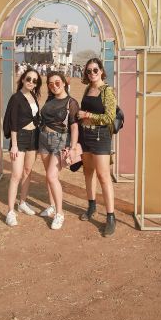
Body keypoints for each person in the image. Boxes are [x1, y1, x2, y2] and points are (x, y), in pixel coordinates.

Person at [76, 58, 117, 236]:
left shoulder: (107, 90)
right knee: (88, 173)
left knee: (103, 176)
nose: (91, 73)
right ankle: (91, 206)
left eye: (94, 70)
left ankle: (110, 217)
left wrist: (87, 114)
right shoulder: (87, 88)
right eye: (88, 71)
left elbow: (109, 118)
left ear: (101, 71)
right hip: (86, 136)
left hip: (101, 136)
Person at [37, 71, 80, 230]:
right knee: (48, 177)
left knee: (52, 176)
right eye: (50, 83)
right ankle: (52, 206)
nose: (54, 86)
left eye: (57, 82)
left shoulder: (71, 102)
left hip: (60, 141)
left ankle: (60, 214)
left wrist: (73, 148)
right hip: (43, 139)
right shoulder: (50, 99)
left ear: (64, 83)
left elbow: (74, 127)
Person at [3, 67, 42, 226]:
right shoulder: (16, 97)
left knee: (27, 172)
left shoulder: (33, 96)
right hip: (19, 138)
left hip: (34, 138)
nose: (31, 82)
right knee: (16, 175)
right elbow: (12, 122)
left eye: (34, 81)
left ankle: (23, 203)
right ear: (23, 79)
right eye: (29, 79)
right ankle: (10, 212)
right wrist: (14, 145)